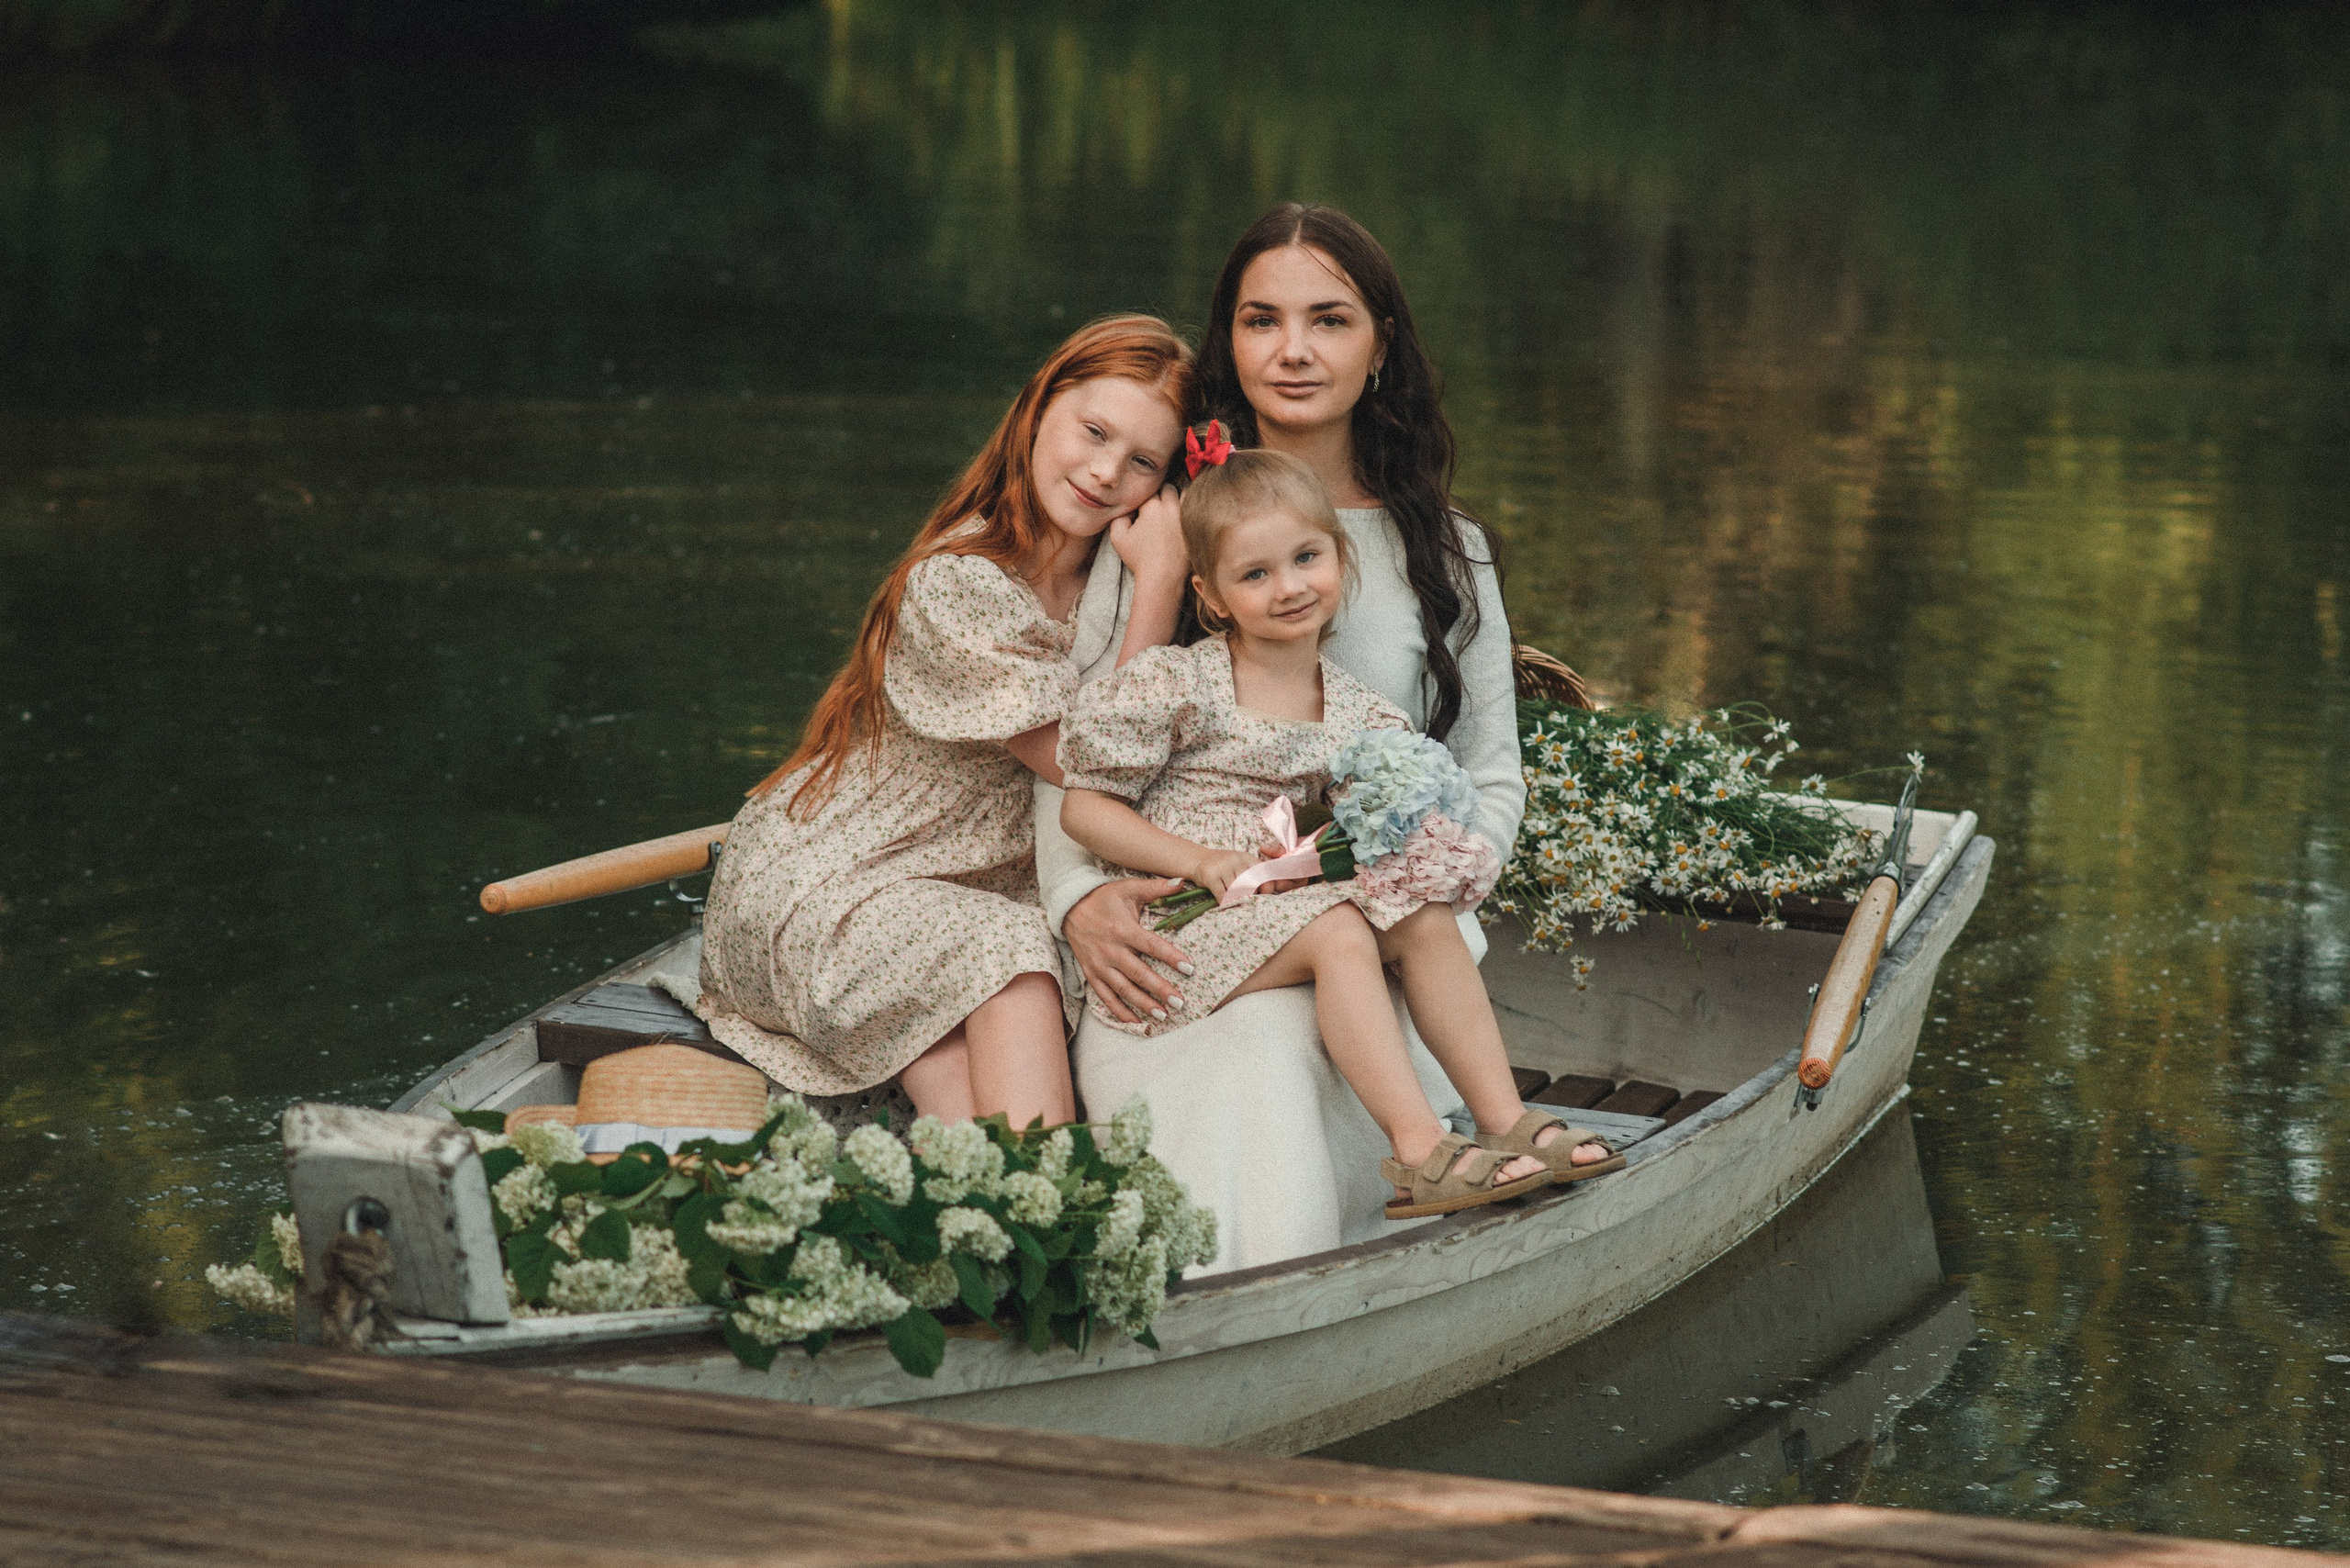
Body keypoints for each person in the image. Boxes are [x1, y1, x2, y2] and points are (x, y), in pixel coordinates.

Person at [1035, 203, 1606, 1268]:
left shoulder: (1448, 551)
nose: (1292, 350)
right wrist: (1080, 905)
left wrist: (1428, 873)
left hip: (1381, 939)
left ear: (1380, 343)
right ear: (1230, 341)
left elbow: (1489, 778)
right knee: (1256, 1054)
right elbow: (1083, 750)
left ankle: (1400, 1199)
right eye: (1261, 320)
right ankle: (1220, 1314)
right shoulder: (1167, 530)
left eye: (1329, 320)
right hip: (1181, 938)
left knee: (1315, 1017)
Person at [1058, 448, 1623, 1217]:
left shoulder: (1360, 716)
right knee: (1341, 931)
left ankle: (1505, 1120)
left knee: (1419, 915)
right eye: (1254, 574)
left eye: (1305, 558)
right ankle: (1420, 1152)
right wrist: (1198, 859)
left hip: (1281, 905)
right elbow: (1083, 810)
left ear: (1339, 558)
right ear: (1212, 596)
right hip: (1182, 924)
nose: (1288, 586)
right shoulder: (1179, 683)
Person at [690, 315, 1195, 1130]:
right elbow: (1097, 762)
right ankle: (1066, 1204)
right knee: (1010, 958)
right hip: (835, 882)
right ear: (1039, 409)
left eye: (1142, 461)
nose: (1106, 473)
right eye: (1093, 431)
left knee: (962, 1088)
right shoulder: (961, 583)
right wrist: (1163, 585)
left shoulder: (1111, 568)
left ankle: (1014, 1224)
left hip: (951, 889)